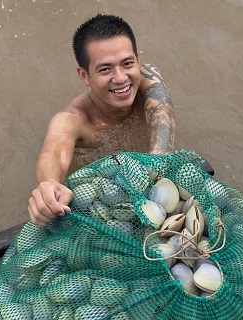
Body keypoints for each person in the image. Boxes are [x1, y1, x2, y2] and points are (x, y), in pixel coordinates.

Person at [27, 14, 176, 227]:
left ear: (138, 61)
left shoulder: (150, 85)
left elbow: (163, 124)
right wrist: (49, 184)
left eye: (127, 63)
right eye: (105, 69)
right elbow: (53, 153)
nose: (121, 78)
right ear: (84, 76)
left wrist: (154, 175)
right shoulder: (72, 120)